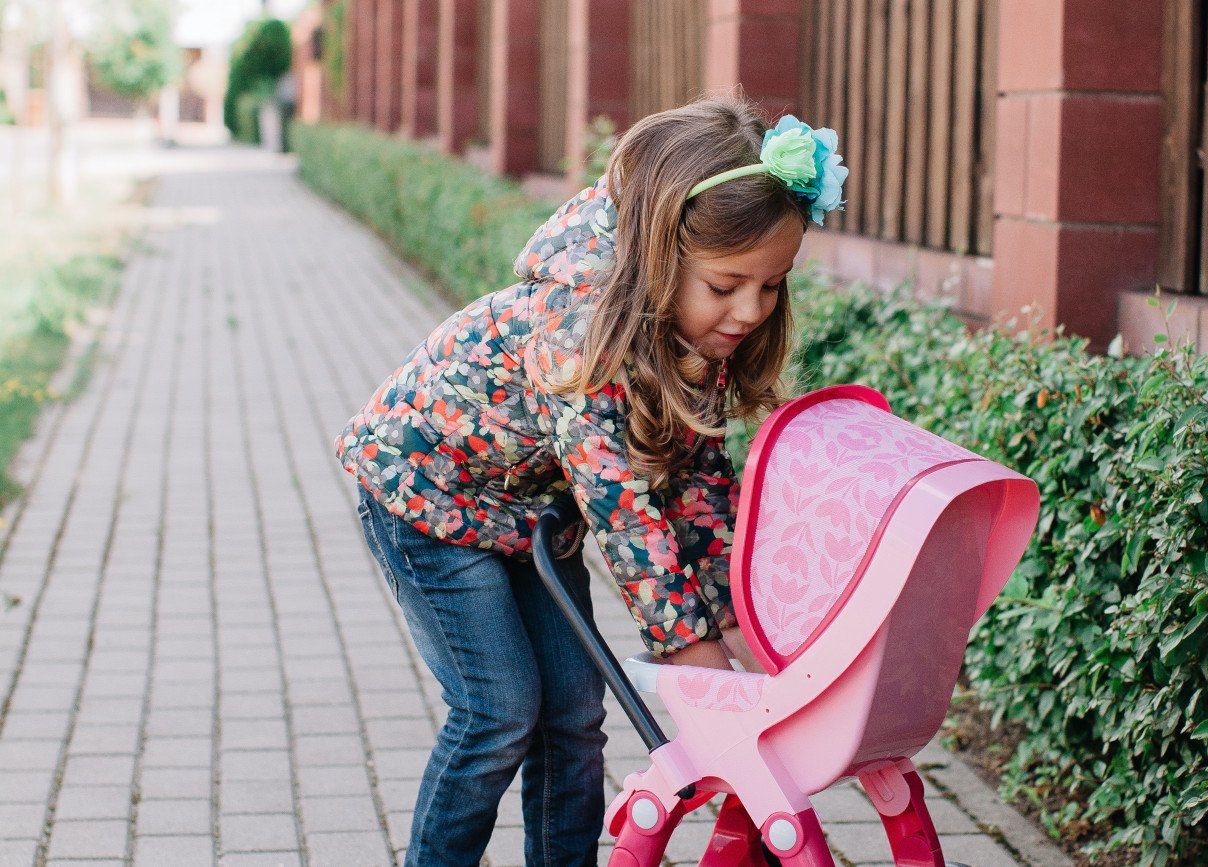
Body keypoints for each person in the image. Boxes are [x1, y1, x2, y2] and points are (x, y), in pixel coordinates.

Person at [336, 92, 847, 867]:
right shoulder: (579, 333)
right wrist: (702, 668)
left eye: (771, 285)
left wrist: (751, 636)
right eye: (726, 285)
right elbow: (628, 519)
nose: (749, 310)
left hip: (528, 515)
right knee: (500, 709)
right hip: (426, 495)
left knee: (574, 709)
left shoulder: (693, 333)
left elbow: (698, 492)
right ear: (660, 256)